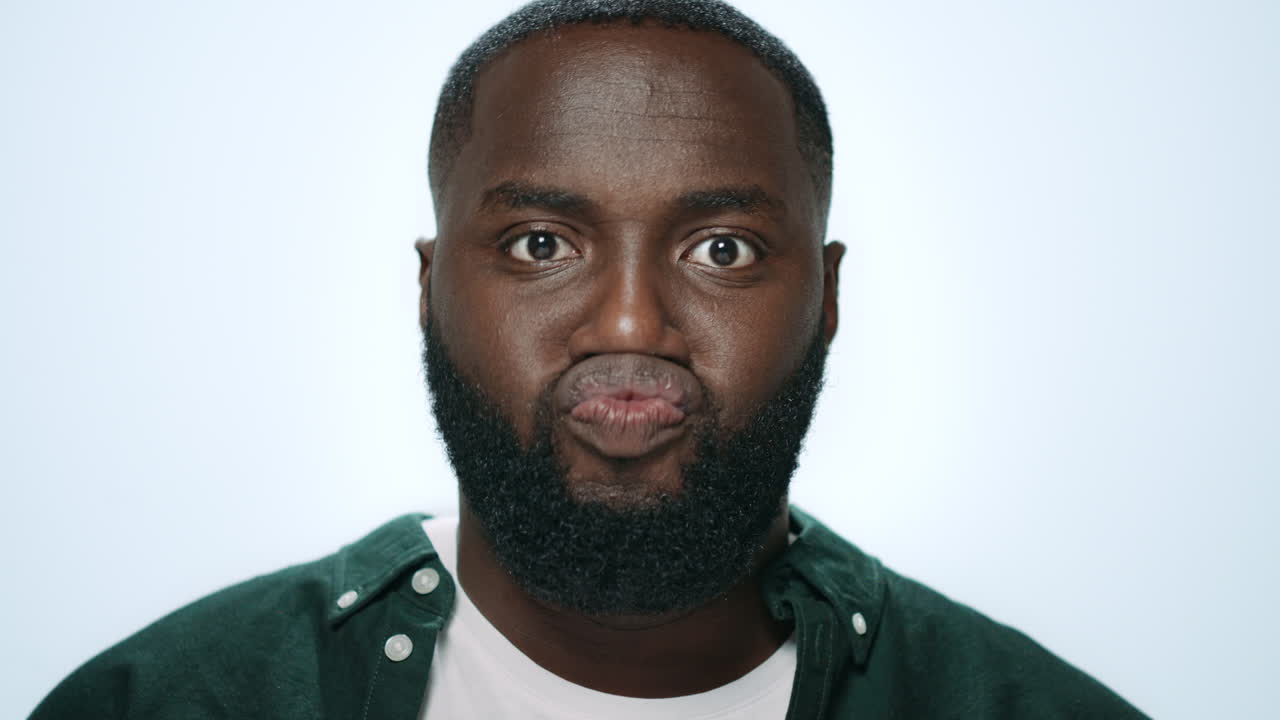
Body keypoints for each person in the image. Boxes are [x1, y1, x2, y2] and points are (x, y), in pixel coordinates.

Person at [31, 1, 1148, 718]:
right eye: (539, 244)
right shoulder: (170, 703)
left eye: (721, 248)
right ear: (429, 289)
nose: (626, 325)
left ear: (826, 297)